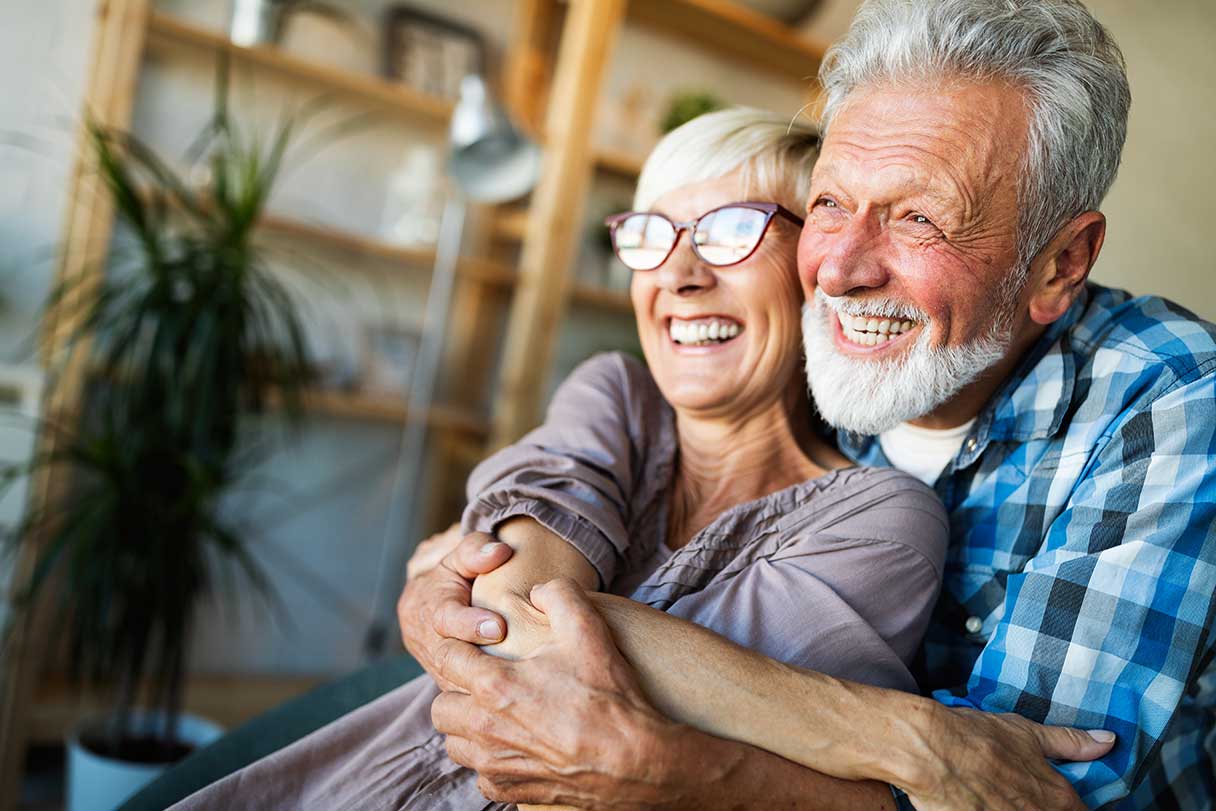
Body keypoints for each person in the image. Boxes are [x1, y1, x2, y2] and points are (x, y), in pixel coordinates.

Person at [415, 1, 1216, 810]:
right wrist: (908, 737)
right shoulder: (799, 366)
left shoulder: (1170, 398)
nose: (837, 270)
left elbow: (1031, 792)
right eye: (831, 203)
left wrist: (686, 770)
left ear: (1060, 263)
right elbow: (517, 557)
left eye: (918, 217)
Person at [171, 109, 952, 810]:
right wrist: (845, 721)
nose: (679, 275)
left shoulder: (882, 518)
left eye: (729, 230)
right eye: (654, 235)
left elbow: (616, 708)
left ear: (814, 268)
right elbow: (499, 622)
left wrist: (473, 570)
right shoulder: (614, 393)